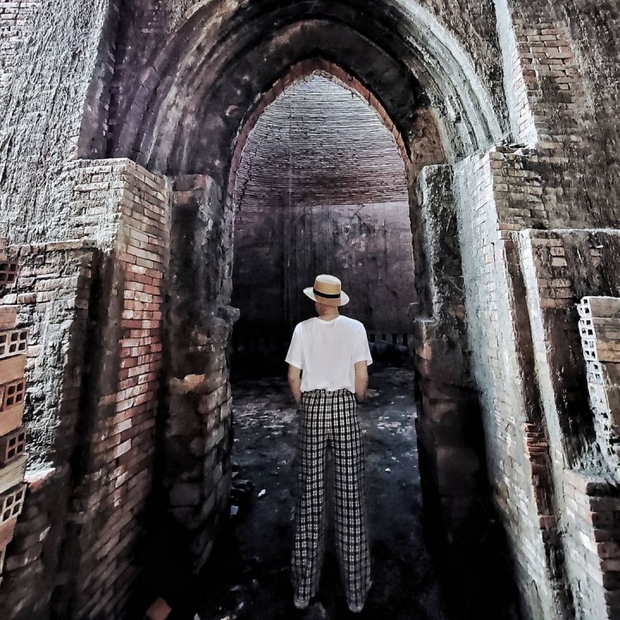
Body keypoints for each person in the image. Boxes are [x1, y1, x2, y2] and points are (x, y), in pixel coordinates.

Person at [285, 274, 373, 614]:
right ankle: (355, 594)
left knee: (310, 496)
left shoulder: (303, 330)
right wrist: (356, 400)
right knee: (350, 497)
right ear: (337, 301)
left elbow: (293, 377)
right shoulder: (355, 329)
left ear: (317, 301)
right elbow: (361, 377)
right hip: (344, 408)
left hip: (313, 408)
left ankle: (303, 590)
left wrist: (304, 403)